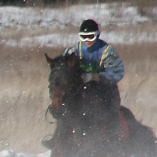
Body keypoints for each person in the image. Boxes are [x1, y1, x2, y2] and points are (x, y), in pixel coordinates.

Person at [44, 18, 125, 149]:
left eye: (91, 36)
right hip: (81, 89)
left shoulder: (106, 51)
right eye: (84, 36)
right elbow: (62, 67)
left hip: (104, 89)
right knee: (63, 107)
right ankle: (57, 138)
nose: (87, 40)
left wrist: (96, 77)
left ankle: (113, 137)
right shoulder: (73, 50)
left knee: (110, 110)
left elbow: (118, 72)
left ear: (97, 35)